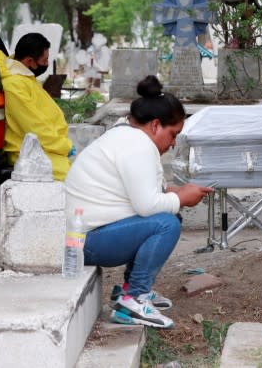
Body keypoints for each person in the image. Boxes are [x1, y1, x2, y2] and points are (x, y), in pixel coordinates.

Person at [64, 75, 214, 329]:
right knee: (166, 223)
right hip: (86, 243)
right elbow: (147, 206)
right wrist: (180, 198)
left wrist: (175, 192)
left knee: (167, 216)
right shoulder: (137, 145)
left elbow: (141, 194)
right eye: (173, 133)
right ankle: (133, 297)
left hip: (87, 236)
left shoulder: (128, 136)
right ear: (155, 125)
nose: (174, 142)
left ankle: (130, 289)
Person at [0, 33, 73, 180]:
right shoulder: (14, 85)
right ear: (29, 61)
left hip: (48, 147)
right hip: (33, 153)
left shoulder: (24, 77)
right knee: (75, 178)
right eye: (44, 60)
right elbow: (33, 127)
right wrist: (64, 146)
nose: (47, 64)